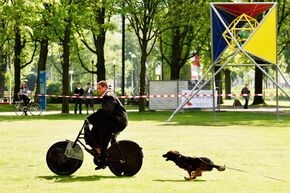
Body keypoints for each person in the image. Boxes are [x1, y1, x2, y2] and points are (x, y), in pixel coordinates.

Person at [86, 80, 128, 169]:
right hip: (116, 121)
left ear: (105, 87)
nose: (98, 90)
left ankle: (100, 153)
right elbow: (103, 112)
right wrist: (93, 118)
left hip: (117, 121)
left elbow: (106, 111)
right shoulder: (108, 96)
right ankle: (102, 157)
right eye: (97, 89)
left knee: (99, 129)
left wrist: (90, 119)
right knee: (101, 132)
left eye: (100, 88)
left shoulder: (108, 96)